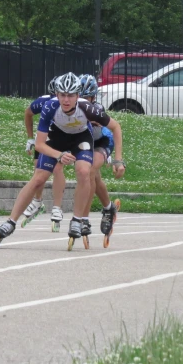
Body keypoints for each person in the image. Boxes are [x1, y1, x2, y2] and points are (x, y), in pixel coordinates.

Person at [0, 72, 126, 250]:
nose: (66, 100)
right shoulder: (49, 107)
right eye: (62, 95)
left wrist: (118, 160)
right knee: (39, 177)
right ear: (57, 94)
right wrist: (58, 155)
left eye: (71, 95)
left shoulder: (87, 108)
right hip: (57, 138)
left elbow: (115, 127)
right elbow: (40, 144)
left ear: (78, 95)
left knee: (85, 171)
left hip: (80, 138)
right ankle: (10, 222)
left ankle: (77, 219)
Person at [21, 76, 67, 230]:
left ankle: (57, 207)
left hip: (61, 137)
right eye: (56, 95)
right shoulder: (43, 102)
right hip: (45, 137)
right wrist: (30, 138)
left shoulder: (71, 105)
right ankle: (38, 201)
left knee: (57, 168)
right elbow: (28, 113)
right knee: (38, 169)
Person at [78, 74, 120, 243]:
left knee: (91, 170)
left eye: (86, 97)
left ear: (94, 97)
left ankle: (84, 219)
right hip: (84, 143)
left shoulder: (96, 108)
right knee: (93, 176)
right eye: (79, 96)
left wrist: (117, 159)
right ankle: (109, 208)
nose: (83, 101)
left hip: (102, 141)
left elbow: (114, 127)